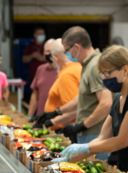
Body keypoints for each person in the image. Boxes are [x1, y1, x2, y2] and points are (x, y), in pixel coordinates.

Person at [53, 45, 128, 173]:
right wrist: (68, 160)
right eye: (102, 73)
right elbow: (102, 138)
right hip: (126, 170)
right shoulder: (118, 99)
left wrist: (86, 147)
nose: (104, 78)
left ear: (125, 70)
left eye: (108, 72)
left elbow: (122, 141)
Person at [32, 26, 112, 160]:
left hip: (95, 132)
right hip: (89, 131)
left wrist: (81, 125)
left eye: (67, 50)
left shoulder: (94, 66)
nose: (69, 55)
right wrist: (56, 112)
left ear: (77, 47)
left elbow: (106, 103)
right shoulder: (87, 65)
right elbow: (82, 98)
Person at [31, 39, 82, 131]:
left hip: (65, 130)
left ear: (55, 58)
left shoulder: (67, 74)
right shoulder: (77, 67)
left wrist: (52, 121)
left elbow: (75, 109)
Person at [28, 38, 58, 118]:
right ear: (44, 53)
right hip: (40, 118)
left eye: (52, 51)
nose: (50, 54)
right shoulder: (40, 69)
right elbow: (35, 94)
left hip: (57, 120)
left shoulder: (63, 70)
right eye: (48, 51)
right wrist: (30, 116)